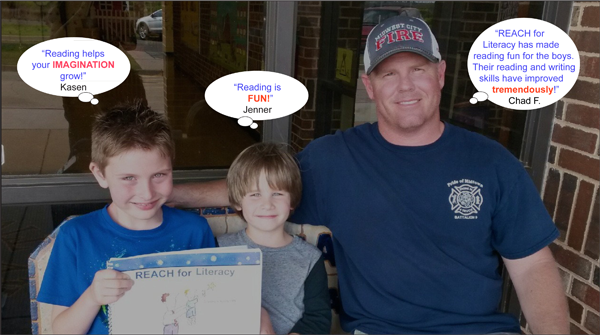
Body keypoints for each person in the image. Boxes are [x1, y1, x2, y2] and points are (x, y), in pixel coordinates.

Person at [168, 16, 568, 334]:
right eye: (388, 74)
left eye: (418, 69)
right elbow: (256, 189)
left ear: (441, 74)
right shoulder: (334, 158)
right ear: (369, 86)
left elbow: (532, 265)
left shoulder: (491, 162)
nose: (405, 85)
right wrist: (166, 195)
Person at [37, 102, 216, 334]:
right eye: (129, 178)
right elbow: (61, 330)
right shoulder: (76, 235)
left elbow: (211, 308)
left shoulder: (195, 230)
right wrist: (92, 297)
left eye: (159, 175)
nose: (147, 193)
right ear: (100, 174)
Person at [217, 142, 331, 335]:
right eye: (255, 194)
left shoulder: (310, 258)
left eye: (277, 193)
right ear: (237, 201)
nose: (267, 204)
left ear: (292, 201)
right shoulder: (219, 250)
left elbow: (318, 320)